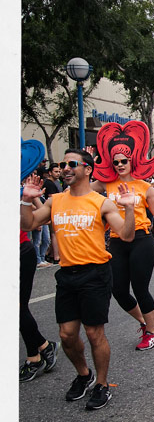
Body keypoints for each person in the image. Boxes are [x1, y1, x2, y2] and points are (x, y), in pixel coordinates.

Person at [21, 148, 137, 410]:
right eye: (63, 164)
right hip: (67, 274)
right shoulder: (55, 201)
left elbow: (127, 235)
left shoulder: (102, 202)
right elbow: (28, 225)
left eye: (72, 163)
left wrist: (129, 208)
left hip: (95, 273)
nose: (65, 168)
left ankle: (103, 384)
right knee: (66, 335)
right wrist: (26, 200)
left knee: (95, 333)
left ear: (87, 169)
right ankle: (84, 375)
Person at [89, 121, 154, 351]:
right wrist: (88, 164)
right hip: (117, 242)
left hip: (141, 241)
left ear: (132, 161)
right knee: (119, 290)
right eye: (116, 162)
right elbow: (82, 192)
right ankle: (144, 322)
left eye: (124, 161)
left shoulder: (145, 187)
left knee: (140, 289)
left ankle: (153, 332)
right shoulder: (105, 184)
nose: (120, 165)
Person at [19, 139, 59, 382]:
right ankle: (42, 347)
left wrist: (27, 199)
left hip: (20, 250)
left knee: (16, 308)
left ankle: (37, 352)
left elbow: (42, 215)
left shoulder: (20, 185)